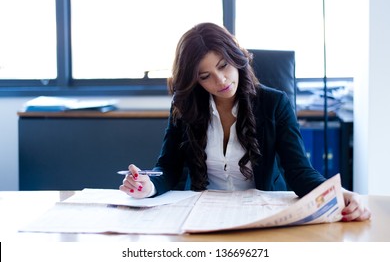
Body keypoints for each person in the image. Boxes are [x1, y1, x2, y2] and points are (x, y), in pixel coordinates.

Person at [119, 22, 371, 222]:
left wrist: (341, 194)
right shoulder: (185, 106)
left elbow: (299, 172)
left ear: (236, 57)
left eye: (224, 65)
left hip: (261, 212)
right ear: (195, 81)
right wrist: (148, 184)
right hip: (201, 214)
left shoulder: (274, 103)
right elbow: (168, 166)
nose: (220, 80)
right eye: (205, 76)